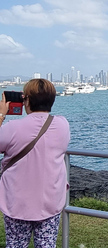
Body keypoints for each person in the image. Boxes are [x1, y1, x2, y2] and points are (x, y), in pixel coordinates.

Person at [0, 79, 70, 248]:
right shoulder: (63, 125)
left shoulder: (12, 128)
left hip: (17, 202)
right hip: (50, 200)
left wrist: (1, 114)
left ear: (27, 100)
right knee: (46, 244)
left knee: (16, 244)